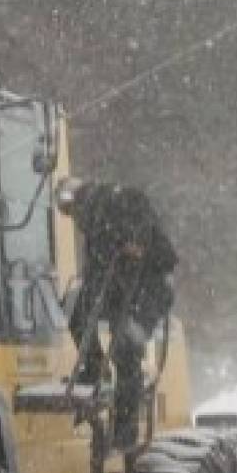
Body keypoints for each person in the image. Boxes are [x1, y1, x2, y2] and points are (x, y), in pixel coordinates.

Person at [57, 178, 178, 449]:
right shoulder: (94, 223)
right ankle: (94, 367)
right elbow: (96, 270)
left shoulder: (117, 199)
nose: (72, 219)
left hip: (149, 286)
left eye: (70, 211)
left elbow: (142, 226)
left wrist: (134, 241)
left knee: (127, 346)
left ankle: (125, 431)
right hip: (119, 285)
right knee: (75, 307)